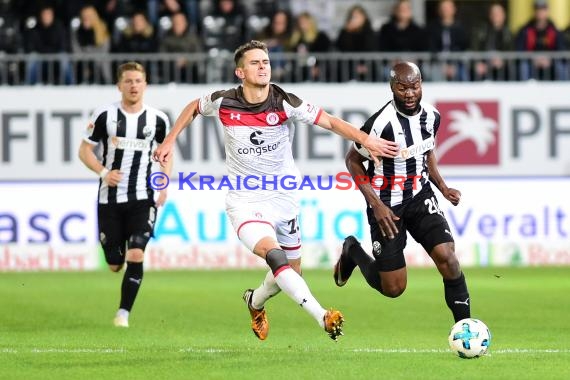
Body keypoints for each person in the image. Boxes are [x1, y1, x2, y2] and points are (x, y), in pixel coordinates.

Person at [153, 40, 399, 341]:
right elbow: (193, 106)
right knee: (276, 257)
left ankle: (254, 302)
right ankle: (323, 316)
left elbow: (331, 122)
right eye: (255, 63)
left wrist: (367, 140)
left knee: (292, 271)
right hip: (244, 199)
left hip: (284, 198)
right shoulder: (224, 101)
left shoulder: (285, 102)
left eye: (266, 62)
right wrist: (169, 140)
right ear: (240, 72)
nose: (262, 67)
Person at [334, 61, 471, 325]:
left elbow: (426, 151)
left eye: (415, 86)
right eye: (402, 87)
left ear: (421, 85)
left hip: (421, 196)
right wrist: (376, 204)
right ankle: (352, 251)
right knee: (393, 288)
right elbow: (352, 160)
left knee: (448, 258)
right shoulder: (380, 124)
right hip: (387, 205)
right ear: (392, 88)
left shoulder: (432, 116)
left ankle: (465, 328)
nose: (409, 93)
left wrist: (442, 187)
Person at [78, 62, 172, 328]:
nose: (133, 86)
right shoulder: (105, 116)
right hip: (109, 199)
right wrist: (103, 172)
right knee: (114, 263)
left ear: (145, 85)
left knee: (137, 252)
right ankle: (115, 260)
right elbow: (84, 151)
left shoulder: (157, 120)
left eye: (138, 81)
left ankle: (123, 314)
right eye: (128, 81)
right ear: (119, 85)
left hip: (143, 196)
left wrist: (163, 184)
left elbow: (166, 154)